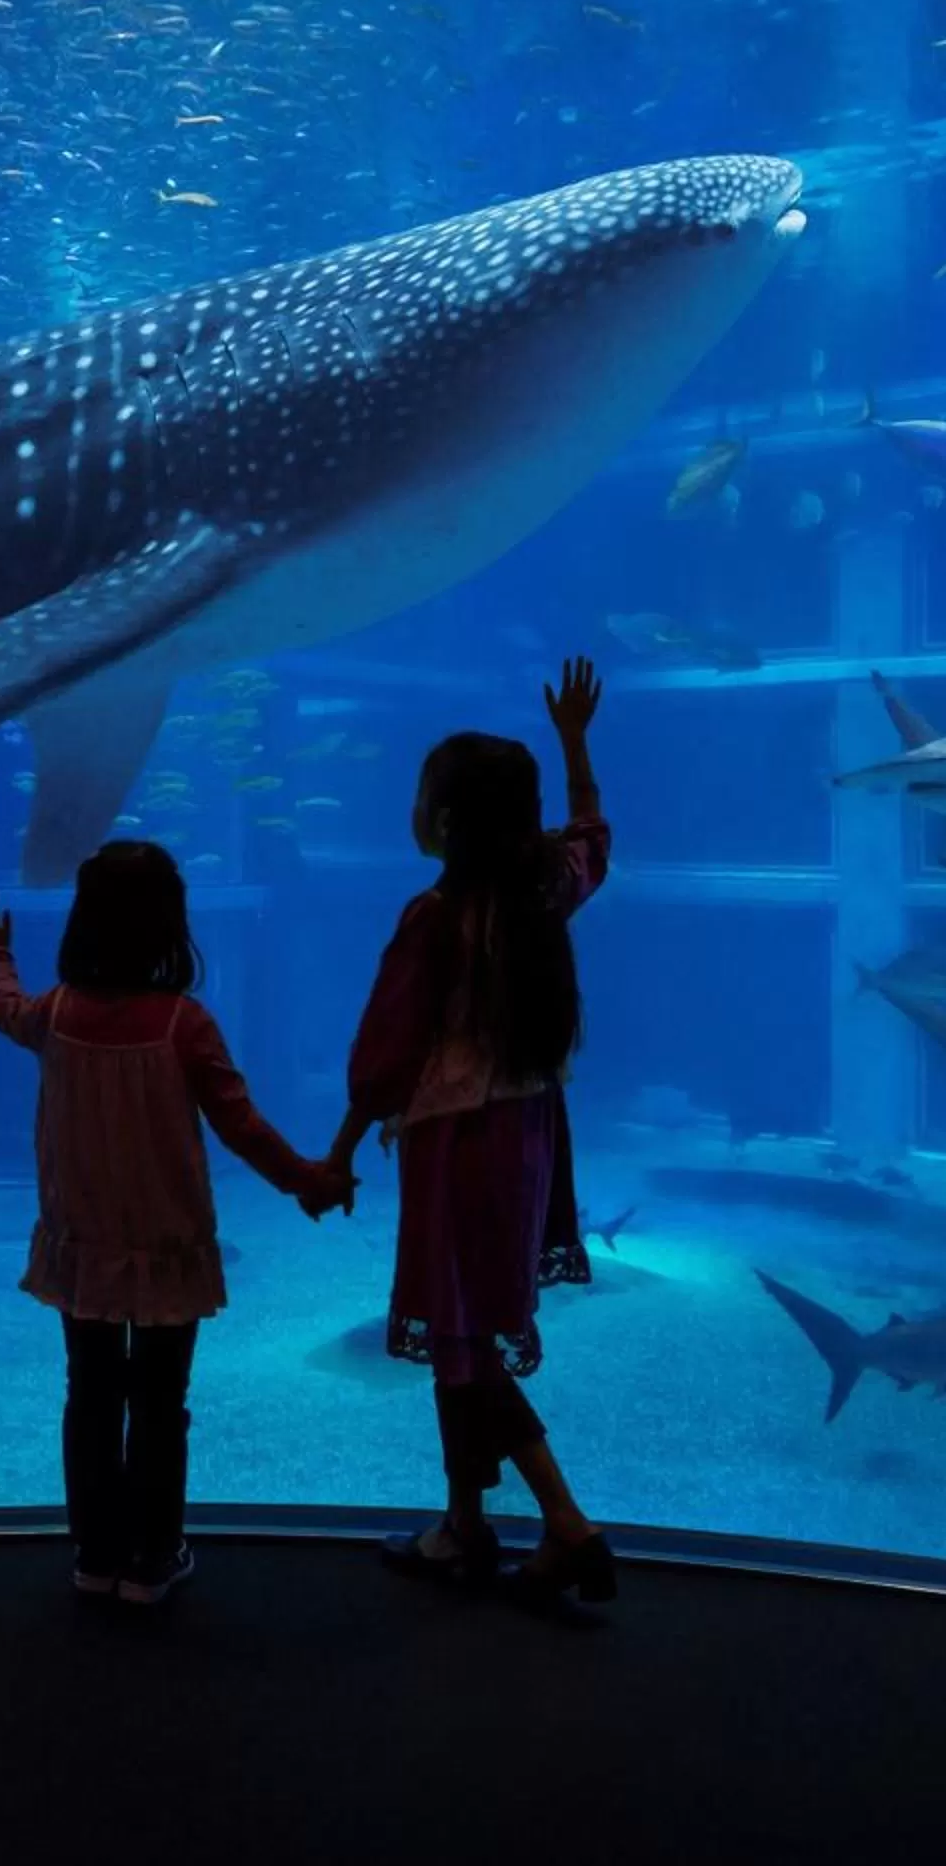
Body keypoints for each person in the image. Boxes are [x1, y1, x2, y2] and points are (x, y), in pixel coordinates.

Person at [0, 845, 353, 1605]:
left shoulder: (57, 1013)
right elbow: (241, 1126)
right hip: (167, 1246)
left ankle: (95, 1552)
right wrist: (306, 1180)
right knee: (160, 1403)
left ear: (84, 923)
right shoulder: (186, 1023)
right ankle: (153, 1555)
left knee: (91, 1394)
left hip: (84, 1243)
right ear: (172, 928)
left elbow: (6, 1010)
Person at [326, 657, 615, 1602]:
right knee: (467, 1332)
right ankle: (464, 1524)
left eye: (421, 795)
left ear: (444, 821)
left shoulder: (438, 916)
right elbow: (591, 841)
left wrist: (336, 1149)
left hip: (457, 1147)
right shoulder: (543, 894)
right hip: (533, 1136)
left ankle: (566, 1524)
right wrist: (574, 741)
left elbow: (383, 1053)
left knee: (463, 1338)